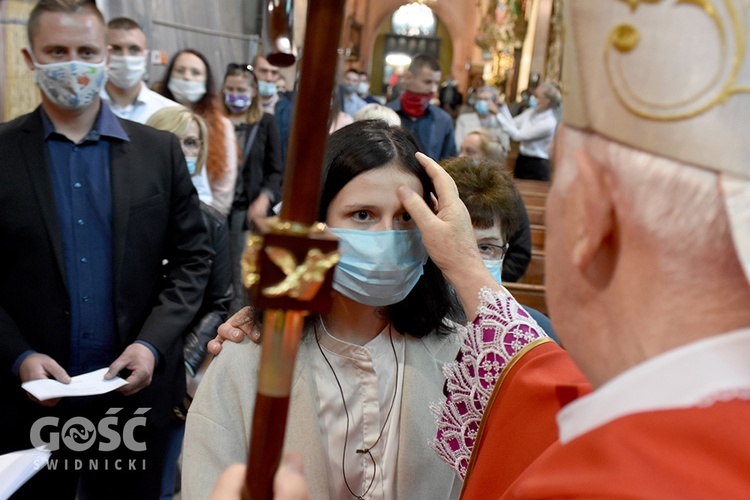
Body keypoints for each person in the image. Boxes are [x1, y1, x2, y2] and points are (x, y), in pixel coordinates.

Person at [182, 120, 466, 500]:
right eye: (362, 215)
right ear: (315, 225)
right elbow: (209, 482)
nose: (387, 238)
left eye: (406, 218)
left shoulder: (462, 358)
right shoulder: (249, 358)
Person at [0, 1, 212, 497]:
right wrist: (19, 355)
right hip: (30, 398)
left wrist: (152, 344)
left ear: (106, 57)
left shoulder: (158, 152)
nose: (73, 64)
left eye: (86, 51)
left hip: (130, 395)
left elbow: (192, 260)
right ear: (31, 59)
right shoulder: (4, 154)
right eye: (57, 51)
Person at [145, 106, 233, 498]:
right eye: (172, 139)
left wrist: (183, 361)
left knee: (163, 483)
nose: (182, 150)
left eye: (192, 142)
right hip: (113, 364)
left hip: (176, 371)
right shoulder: (123, 216)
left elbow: (220, 300)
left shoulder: (211, 222)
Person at [221, 63, 284, 313]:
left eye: (241, 89)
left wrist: (264, 198)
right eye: (230, 89)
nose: (235, 94)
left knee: (240, 269)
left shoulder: (265, 122)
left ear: (253, 91)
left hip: (245, 210)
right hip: (218, 206)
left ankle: (237, 316)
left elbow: (275, 169)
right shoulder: (216, 121)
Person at [157, 49, 238, 216]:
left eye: (195, 73)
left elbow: (224, 185)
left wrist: (209, 222)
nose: (187, 77)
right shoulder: (154, 114)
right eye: (180, 70)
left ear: (206, 81)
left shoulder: (221, 125)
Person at [459, 129, 532, 283]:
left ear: (488, 158)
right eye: (461, 150)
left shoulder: (508, 199)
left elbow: (520, 253)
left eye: (470, 152)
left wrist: (495, 279)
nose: (461, 156)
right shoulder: (448, 191)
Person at [100, 17, 180, 124]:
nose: (125, 57)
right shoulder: (85, 110)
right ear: (104, 53)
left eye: (134, 49)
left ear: (145, 55)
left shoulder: (171, 113)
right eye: (116, 49)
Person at [386, 53, 457, 161]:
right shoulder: (385, 114)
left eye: (436, 83)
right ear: (408, 77)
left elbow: (450, 163)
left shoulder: (443, 120)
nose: (433, 89)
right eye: (427, 82)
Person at [493, 82, 560, 181]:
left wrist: (497, 114)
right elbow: (512, 123)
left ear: (547, 101)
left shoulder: (549, 122)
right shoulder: (532, 112)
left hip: (537, 164)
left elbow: (518, 136)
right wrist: (503, 108)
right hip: (523, 159)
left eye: (536, 96)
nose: (532, 98)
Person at [253, 54, 293, 165]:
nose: (269, 78)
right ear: (254, 72)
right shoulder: (243, 105)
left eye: (274, 73)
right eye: (263, 71)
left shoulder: (289, 111)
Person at [454, 85, 510, 155]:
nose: (482, 102)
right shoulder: (464, 120)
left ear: (494, 102)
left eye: (486, 99)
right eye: (480, 99)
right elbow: (459, 146)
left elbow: (504, 148)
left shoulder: (499, 122)